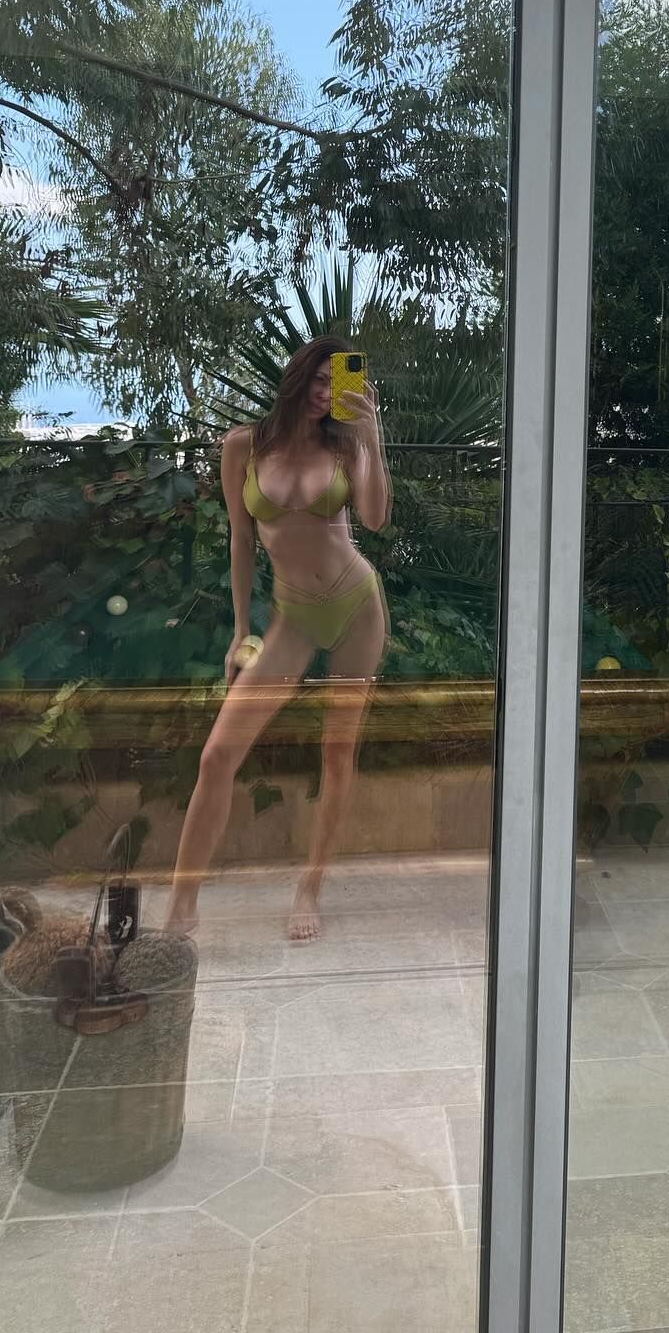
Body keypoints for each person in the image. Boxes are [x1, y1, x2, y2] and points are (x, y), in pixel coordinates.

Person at [165, 336, 391, 942]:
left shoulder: (346, 445)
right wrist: (241, 630)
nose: (325, 393)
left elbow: (373, 519)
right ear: (297, 378)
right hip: (291, 616)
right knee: (217, 757)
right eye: (318, 379)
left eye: (336, 383)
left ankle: (309, 888)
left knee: (337, 752)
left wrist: (371, 437)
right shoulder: (243, 445)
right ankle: (182, 905)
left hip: (356, 606)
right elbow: (241, 540)